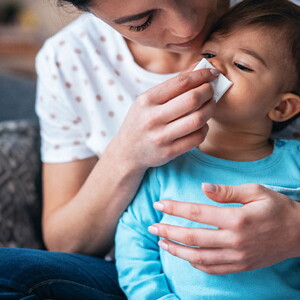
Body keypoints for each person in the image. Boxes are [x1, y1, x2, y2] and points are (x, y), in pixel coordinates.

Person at [0, 0, 299, 299]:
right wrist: (126, 155)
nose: (188, 30)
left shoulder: (283, 26)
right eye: (141, 22)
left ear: (284, 106)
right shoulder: (70, 59)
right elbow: (118, 242)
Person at [115, 0, 300, 299]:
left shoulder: (296, 163)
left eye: (241, 65)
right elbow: (135, 237)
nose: (213, 67)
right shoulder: (168, 161)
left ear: (281, 107)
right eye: (209, 54)